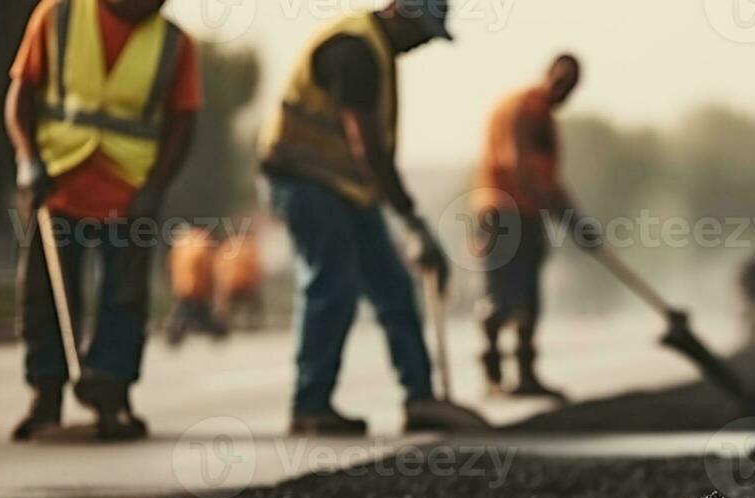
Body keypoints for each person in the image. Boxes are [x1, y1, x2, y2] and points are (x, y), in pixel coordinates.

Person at [257, 1, 464, 435]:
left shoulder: (377, 52)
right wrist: (411, 220)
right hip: (303, 179)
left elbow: (369, 155)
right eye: (422, 32)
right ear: (400, 13)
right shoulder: (354, 50)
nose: (422, 43)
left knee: (392, 286)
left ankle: (421, 398)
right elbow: (367, 147)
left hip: (348, 188)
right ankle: (310, 405)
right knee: (333, 284)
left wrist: (408, 220)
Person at [5, 0, 199, 441]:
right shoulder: (58, 15)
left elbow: (184, 122)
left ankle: (112, 394)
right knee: (44, 295)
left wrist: (156, 187)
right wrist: (26, 158)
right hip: (57, 185)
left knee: (125, 298)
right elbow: (21, 93)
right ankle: (46, 393)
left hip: (130, 194)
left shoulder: (173, 43)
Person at [471, 54, 598, 401]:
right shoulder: (521, 110)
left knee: (529, 296)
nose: (563, 91)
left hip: (529, 214)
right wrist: (563, 215)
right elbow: (520, 168)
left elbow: (548, 179)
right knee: (501, 295)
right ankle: (492, 370)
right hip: (502, 212)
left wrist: (575, 220)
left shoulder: (545, 119)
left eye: (570, 86)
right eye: (560, 81)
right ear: (547, 74)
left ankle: (525, 374)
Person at [164, 225, 222, 345]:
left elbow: (170, 267)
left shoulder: (180, 247)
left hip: (183, 287)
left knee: (185, 312)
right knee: (194, 312)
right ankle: (216, 331)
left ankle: (176, 333)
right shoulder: (200, 245)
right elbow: (206, 270)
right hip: (195, 288)